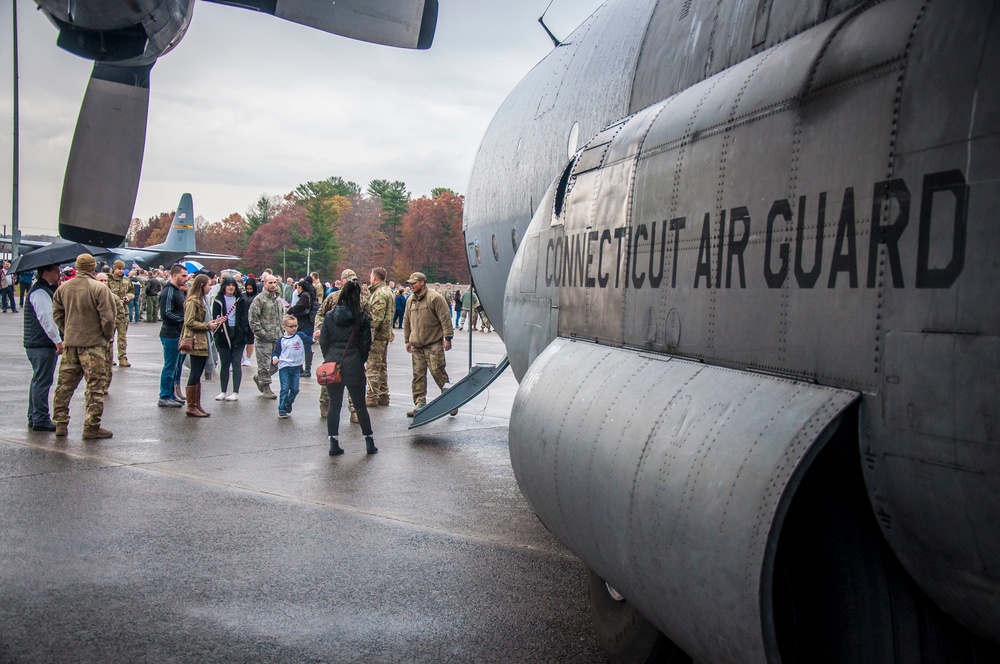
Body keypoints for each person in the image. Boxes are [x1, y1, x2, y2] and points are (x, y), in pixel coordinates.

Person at [50, 253, 118, 438]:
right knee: (95, 387)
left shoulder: (64, 288)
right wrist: (106, 336)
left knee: (64, 385)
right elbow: (108, 318)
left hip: (71, 343)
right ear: (93, 267)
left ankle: (60, 423)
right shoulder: (99, 288)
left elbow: (57, 313)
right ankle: (91, 426)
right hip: (93, 344)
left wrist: (67, 330)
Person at [319, 280, 375, 455]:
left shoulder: (330, 316)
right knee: (360, 405)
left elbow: (323, 341)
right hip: (354, 362)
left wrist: (329, 357)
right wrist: (360, 359)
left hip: (333, 362)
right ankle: (369, 442)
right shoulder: (362, 317)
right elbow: (366, 344)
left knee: (334, 405)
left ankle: (333, 443)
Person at [313, 268, 370, 420]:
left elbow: (368, 321)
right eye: (349, 280)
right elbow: (321, 313)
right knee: (330, 375)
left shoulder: (362, 300)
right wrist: (319, 329)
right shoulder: (332, 297)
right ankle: (325, 404)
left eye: (354, 280)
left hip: (352, 346)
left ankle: (354, 410)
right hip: (334, 344)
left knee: (354, 380)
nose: (352, 282)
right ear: (342, 280)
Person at [402, 271, 456, 418]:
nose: (411, 286)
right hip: (417, 345)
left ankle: (451, 401)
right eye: (410, 284)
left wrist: (448, 337)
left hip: (433, 343)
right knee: (418, 375)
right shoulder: (410, 300)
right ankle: (419, 403)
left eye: (414, 283)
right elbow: (406, 321)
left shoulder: (435, 298)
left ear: (422, 282)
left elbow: (445, 318)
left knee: (438, 372)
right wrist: (407, 340)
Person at [23, 263, 63, 432]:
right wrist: (57, 340)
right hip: (41, 343)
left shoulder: (43, 289)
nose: (59, 274)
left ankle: (34, 416)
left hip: (37, 342)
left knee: (38, 380)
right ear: (46, 272)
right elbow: (47, 318)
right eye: (56, 272)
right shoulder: (40, 291)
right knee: (42, 381)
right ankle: (40, 418)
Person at [179, 273, 226, 417]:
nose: (210, 287)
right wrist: (207, 326)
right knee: (195, 372)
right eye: (208, 285)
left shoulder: (202, 300)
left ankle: (196, 404)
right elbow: (189, 322)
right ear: (201, 285)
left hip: (203, 341)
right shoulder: (193, 301)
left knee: (198, 372)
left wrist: (214, 322)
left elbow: (202, 320)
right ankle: (191, 406)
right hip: (196, 342)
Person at [211, 276, 250, 401]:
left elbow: (244, 317)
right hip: (223, 334)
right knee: (225, 363)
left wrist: (243, 332)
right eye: (228, 285)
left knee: (236, 362)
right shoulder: (218, 300)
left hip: (238, 333)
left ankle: (235, 392)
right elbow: (215, 317)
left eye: (233, 285)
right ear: (224, 286)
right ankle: (223, 391)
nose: (231, 287)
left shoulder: (240, 300)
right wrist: (219, 322)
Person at [157, 263, 189, 408]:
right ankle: (164, 396)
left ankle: (170, 394)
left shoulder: (178, 291)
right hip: (170, 334)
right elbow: (166, 313)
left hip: (178, 334)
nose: (186, 278)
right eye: (183, 275)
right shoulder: (168, 291)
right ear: (174, 275)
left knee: (176, 366)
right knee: (170, 366)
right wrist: (183, 320)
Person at [248, 274, 283, 399]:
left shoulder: (277, 299)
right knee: (264, 365)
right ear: (264, 284)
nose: (273, 285)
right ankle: (266, 387)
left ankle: (259, 378)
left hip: (277, 338)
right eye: (270, 283)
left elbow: (281, 317)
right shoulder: (259, 300)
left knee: (276, 364)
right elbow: (253, 320)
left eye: (275, 283)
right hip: (264, 339)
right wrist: (262, 334)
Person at [271, 314, 311, 418]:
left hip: (296, 367)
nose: (294, 328)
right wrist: (275, 358)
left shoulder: (299, 336)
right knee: (285, 388)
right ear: (284, 327)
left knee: (295, 389)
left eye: (295, 326)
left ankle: (288, 402)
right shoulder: (282, 340)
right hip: (284, 367)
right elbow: (276, 352)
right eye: (291, 326)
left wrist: (315, 337)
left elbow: (309, 340)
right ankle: (282, 408)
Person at [366, 267, 394, 406]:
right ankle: (383, 394)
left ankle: (372, 396)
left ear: (375, 278)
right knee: (381, 366)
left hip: (377, 336)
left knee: (373, 367)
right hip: (384, 335)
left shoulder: (379, 293)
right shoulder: (387, 291)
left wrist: (368, 337)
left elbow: (376, 319)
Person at [106, 260, 133, 366]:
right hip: (111, 312)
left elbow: (131, 292)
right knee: (109, 337)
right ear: (114, 269)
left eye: (122, 269)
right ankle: (109, 358)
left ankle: (122, 358)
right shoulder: (107, 280)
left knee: (122, 337)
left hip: (123, 312)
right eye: (119, 269)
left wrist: (128, 297)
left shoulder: (127, 280)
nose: (121, 271)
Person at [287, 279, 316, 377]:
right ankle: (304, 369)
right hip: (308, 323)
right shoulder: (310, 294)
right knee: (305, 345)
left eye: (298, 287)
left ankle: (304, 369)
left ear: (301, 287)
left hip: (304, 323)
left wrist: (292, 310)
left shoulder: (305, 295)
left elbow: (301, 306)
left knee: (302, 346)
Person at [242, 277, 258, 367]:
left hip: (251, 321)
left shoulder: (257, 297)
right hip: (242, 320)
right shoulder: (242, 295)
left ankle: (248, 357)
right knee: (240, 340)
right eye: (247, 289)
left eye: (251, 289)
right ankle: (242, 357)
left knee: (250, 340)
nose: (249, 290)